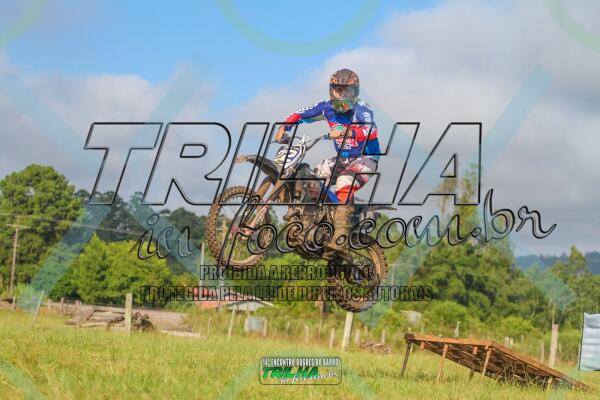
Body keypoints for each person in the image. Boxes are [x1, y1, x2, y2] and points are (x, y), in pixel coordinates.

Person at [274, 68, 381, 254]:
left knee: (345, 181)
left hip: (366, 158)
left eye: (348, 91)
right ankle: (317, 221)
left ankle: (340, 235)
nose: (343, 95)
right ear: (332, 91)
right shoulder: (326, 107)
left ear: (355, 92)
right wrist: (284, 127)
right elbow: (301, 114)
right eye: (339, 90)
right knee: (311, 179)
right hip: (342, 159)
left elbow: (371, 130)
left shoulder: (362, 108)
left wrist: (348, 132)